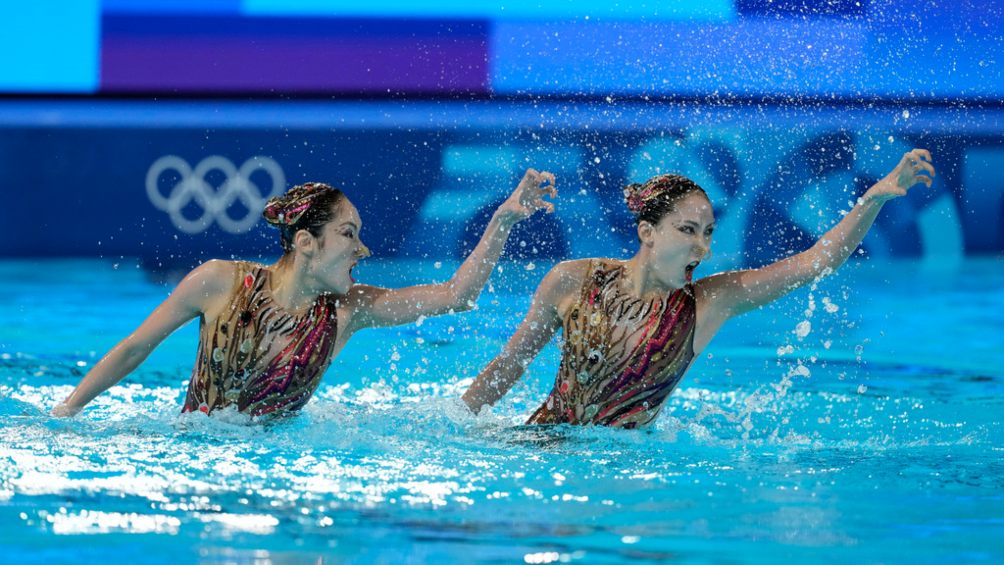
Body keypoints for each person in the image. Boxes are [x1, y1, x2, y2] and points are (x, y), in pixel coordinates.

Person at [461, 150, 935, 428]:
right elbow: (508, 367)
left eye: (708, 233)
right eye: (688, 230)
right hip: (542, 450)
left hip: (626, 475)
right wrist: (457, 427)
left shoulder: (710, 302)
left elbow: (815, 262)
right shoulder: (572, 280)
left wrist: (873, 198)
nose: (702, 248)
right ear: (648, 232)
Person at [53, 169, 557, 418]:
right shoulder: (219, 281)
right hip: (196, 450)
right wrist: (67, 412)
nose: (363, 248)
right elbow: (135, 347)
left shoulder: (348, 312)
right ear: (305, 242)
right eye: (349, 233)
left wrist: (504, 219)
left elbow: (456, 294)